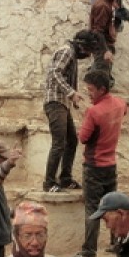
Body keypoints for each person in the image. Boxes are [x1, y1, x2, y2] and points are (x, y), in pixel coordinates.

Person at [69, 70, 127, 257]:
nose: (89, 94)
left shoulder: (94, 112)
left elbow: (84, 138)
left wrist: (84, 115)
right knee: (113, 205)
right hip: (111, 164)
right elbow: (122, 112)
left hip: (94, 166)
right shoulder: (120, 103)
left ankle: (89, 250)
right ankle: (117, 243)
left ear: (102, 89)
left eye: (91, 90)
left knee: (93, 208)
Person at [42, 33, 95, 194]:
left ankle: (65, 178)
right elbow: (54, 73)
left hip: (62, 103)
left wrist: (72, 98)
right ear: (81, 46)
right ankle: (49, 182)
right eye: (88, 50)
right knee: (59, 143)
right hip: (55, 102)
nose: (88, 55)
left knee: (71, 140)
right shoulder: (67, 51)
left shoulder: (70, 52)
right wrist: (71, 92)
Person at [89, 0, 124, 79]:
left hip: (104, 44)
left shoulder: (106, 3)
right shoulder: (103, 6)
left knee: (103, 76)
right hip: (102, 46)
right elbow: (97, 31)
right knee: (100, 78)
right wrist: (106, 50)